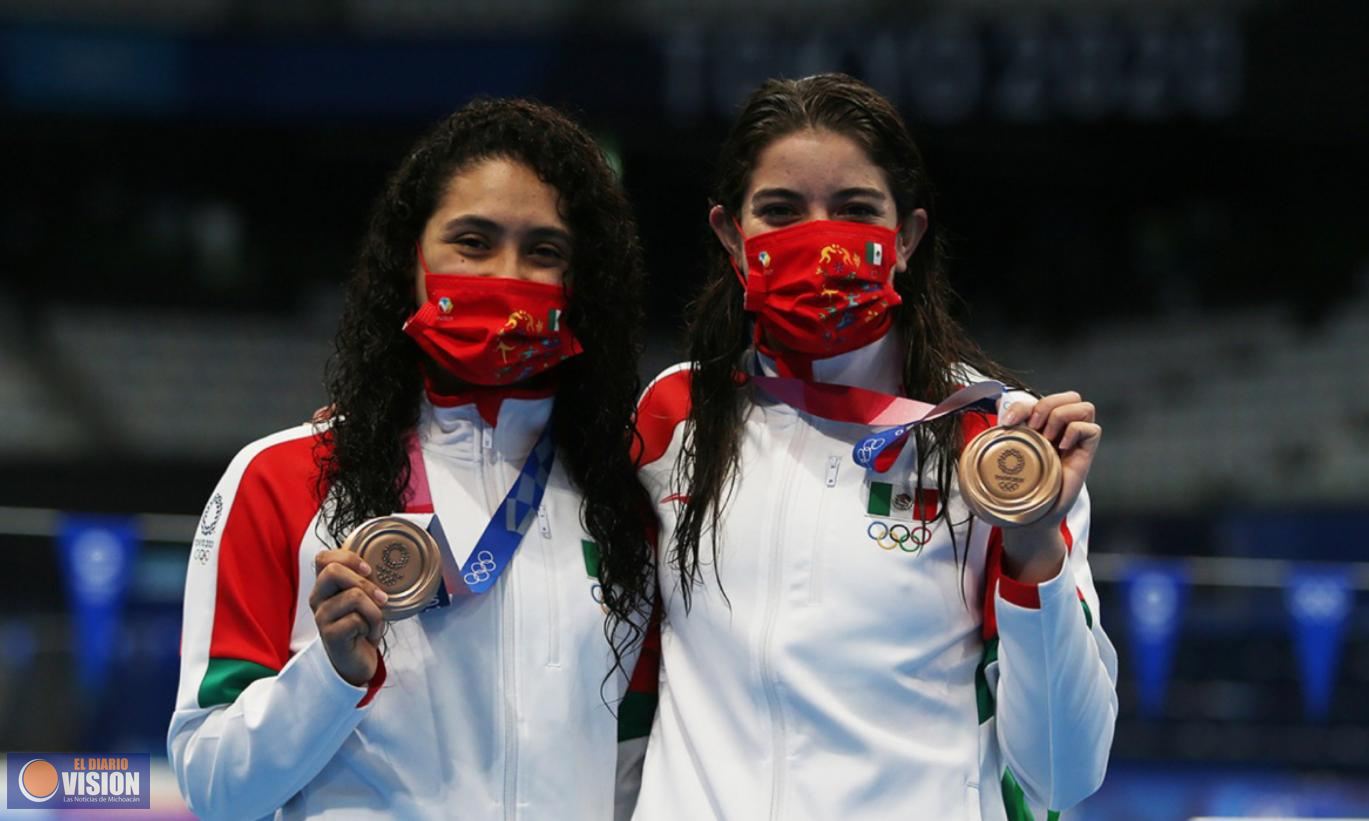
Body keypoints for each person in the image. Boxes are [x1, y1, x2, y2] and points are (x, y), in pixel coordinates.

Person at [632, 74, 1118, 820]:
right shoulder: (672, 417)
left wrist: (1030, 540)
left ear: (906, 238)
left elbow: (1063, 767)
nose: (819, 238)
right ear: (732, 236)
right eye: (781, 212)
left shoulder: (997, 441)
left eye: (854, 210)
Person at [168, 98, 657, 820]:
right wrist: (329, 677)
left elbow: (635, 771)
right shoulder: (280, 479)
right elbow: (213, 788)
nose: (507, 275)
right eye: (473, 241)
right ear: (412, 259)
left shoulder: (623, 499)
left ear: (579, 286)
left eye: (544, 251)